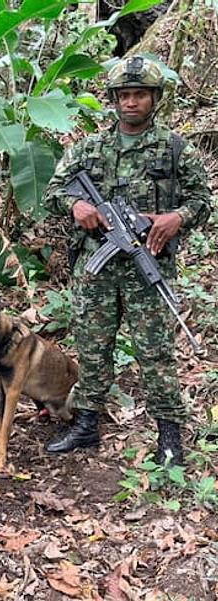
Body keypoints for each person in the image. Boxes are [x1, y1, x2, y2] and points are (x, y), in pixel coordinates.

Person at [43, 56, 212, 465]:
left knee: (155, 353)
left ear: (154, 99)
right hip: (96, 271)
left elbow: (202, 202)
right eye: (124, 95)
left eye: (140, 95)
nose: (131, 102)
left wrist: (178, 217)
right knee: (93, 347)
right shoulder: (89, 148)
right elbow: (52, 193)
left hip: (147, 266)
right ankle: (85, 424)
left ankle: (169, 435)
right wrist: (77, 206)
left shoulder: (175, 149)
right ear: (114, 100)